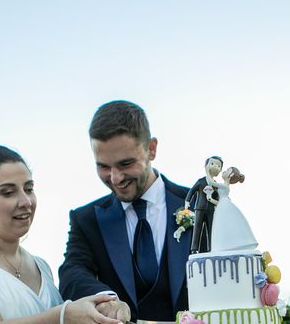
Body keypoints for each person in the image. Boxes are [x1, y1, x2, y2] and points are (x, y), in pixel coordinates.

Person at [0, 145, 128, 324]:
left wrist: (105, 309)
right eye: (8, 192)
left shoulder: (41, 267)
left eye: (29, 189)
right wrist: (62, 316)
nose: (25, 201)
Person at [58, 101, 191, 323]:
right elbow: (72, 273)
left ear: (151, 149)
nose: (115, 178)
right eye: (103, 167)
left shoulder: (200, 205)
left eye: (125, 164)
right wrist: (107, 300)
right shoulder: (86, 220)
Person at [210, 166, 258, 253]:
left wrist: (207, 171)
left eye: (228, 170)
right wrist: (209, 198)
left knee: (224, 224)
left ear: (231, 174)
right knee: (223, 225)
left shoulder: (224, 186)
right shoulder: (224, 191)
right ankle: (224, 243)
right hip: (222, 205)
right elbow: (218, 202)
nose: (224, 171)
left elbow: (211, 182)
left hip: (223, 206)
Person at [184, 156, 222, 253]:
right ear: (206, 166)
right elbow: (192, 191)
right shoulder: (201, 181)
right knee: (197, 228)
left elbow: (218, 197)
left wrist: (215, 202)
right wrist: (187, 201)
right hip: (199, 208)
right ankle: (194, 249)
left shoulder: (216, 185)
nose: (215, 167)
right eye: (212, 164)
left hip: (211, 210)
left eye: (218, 166)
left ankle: (211, 248)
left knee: (211, 229)